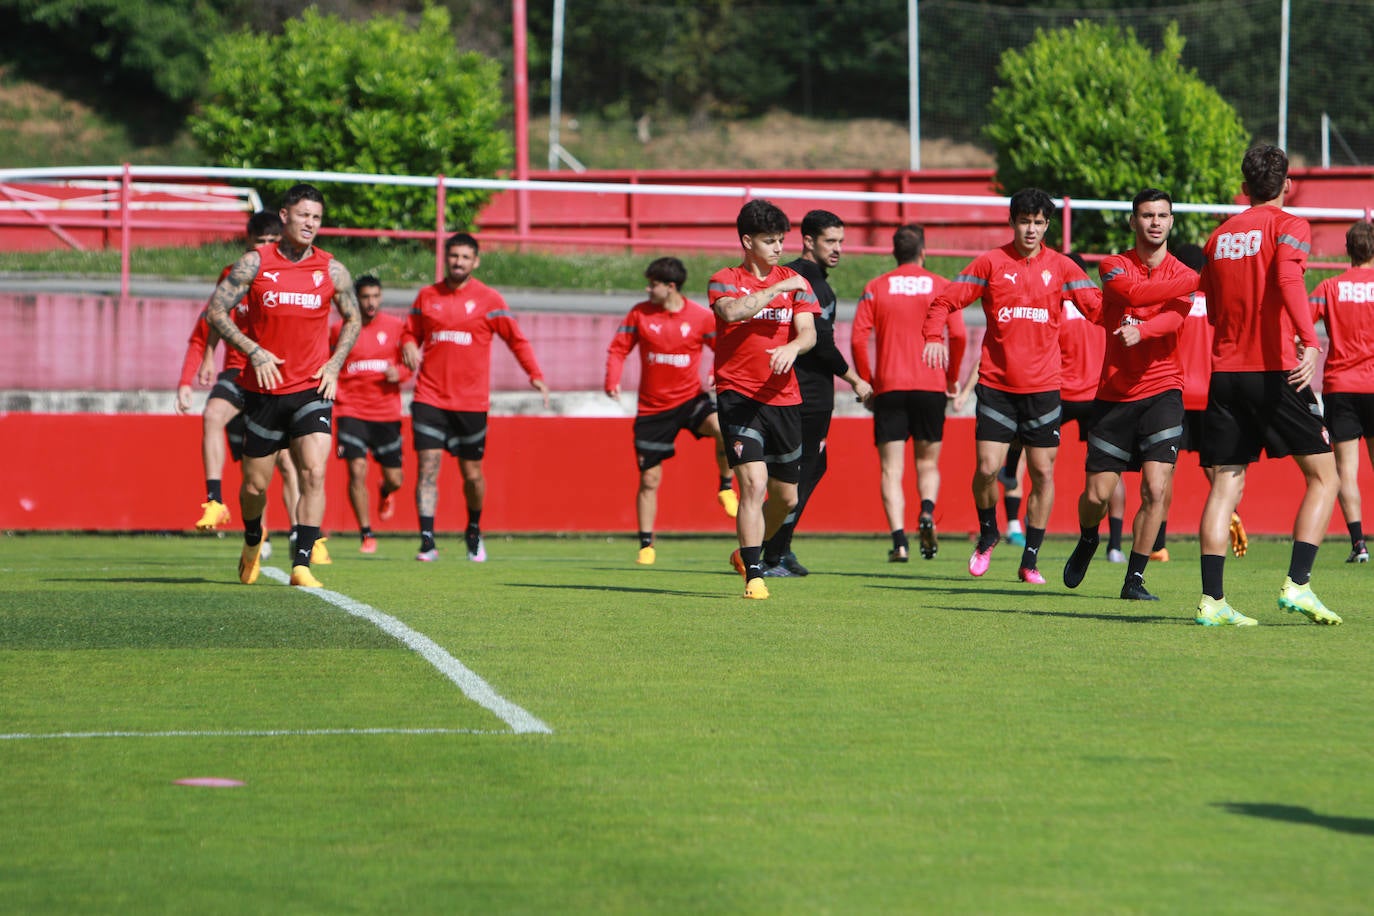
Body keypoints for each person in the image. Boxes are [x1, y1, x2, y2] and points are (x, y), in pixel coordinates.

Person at [922, 188, 1102, 583]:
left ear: (1047, 225)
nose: (1031, 229)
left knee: (1041, 473)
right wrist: (933, 335)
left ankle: (1031, 559)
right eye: (1025, 221)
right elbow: (944, 302)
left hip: (1043, 389)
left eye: (1039, 222)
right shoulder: (990, 263)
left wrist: (1137, 319)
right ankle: (989, 533)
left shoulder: (1062, 267)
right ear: (1012, 222)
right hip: (997, 386)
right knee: (987, 469)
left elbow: (1098, 310)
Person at [1194, 145, 1341, 626]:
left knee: (1225, 486)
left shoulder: (1218, 238)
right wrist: (1309, 340)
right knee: (1325, 476)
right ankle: (1298, 586)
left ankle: (1212, 601)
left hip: (1226, 372)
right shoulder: (1290, 225)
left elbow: (1212, 309)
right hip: (1275, 370)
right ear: (1287, 184)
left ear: (1244, 186)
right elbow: (1287, 278)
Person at [204, 183, 362, 589]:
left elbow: (354, 318)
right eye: (304, 215)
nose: (311, 223)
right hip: (262, 393)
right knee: (255, 486)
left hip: (311, 390)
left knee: (313, 471)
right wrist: (252, 350)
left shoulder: (331, 269)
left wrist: (334, 364)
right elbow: (216, 310)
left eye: (317, 217)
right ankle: (253, 539)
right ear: (286, 216)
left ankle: (303, 563)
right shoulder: (255, 263)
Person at [1061, 188, 1196, 601]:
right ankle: (1088, 538)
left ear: (1171, 222)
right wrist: (1203, 277)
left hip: (1164, 390)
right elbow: (1134, 297)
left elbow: (1175, 317)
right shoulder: (1113, 266)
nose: (1155, 222)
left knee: (1156, 489)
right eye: (1147, 215)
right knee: (1096, 496)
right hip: (1115, 396)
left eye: (1162, 215)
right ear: (1133, 222)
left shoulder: (1181, 274)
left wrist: (1144, 329)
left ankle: (1134, 579)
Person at [402, 232, 550, 563]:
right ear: (446, 258)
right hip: (429, 397)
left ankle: (473, 529)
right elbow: (409, 331)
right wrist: (409, 343)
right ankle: (427, 542)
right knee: (427, 467)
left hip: (470, 403)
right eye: (453, 256)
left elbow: (517, 340)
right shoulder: (427, 296)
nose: (458, 262)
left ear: (475, 261)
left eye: (465, 257)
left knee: (471, 475)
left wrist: (536, 375)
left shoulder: (490, 300)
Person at [176, 211, 304, 562]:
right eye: (258, 241)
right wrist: (193, 373)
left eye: (269, 241)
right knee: (213, 415)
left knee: (282, 462)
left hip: (275, 378)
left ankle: (299, 534)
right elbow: (205, 328)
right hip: (238, 372)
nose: (263, 248)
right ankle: (215, 502)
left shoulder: (293, 276)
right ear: (249, 243)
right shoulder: (234, 275)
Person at [708, 199, 819, 599]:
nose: (777, 248)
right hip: (738, 396)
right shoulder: (723, 279)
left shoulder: (796, 283)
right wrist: (776, 288)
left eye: (780, 241)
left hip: (784, 398)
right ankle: (755, 573)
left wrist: (794, 348)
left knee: (787, 498)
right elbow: (734, 312)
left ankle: (745, 552)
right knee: (753, 485)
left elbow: (808, 331)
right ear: (747, 241)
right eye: (769, 241)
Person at [760, 210, 872, 576]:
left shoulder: (818, 283)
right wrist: (855, 380)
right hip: (803, 396)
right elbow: (821, 344)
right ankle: (767, 553)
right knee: (794, 475)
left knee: (807, 470)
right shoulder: (800, 280)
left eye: (841, 241)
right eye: (830, 241)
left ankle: (779, 548)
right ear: (808, 241)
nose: (838, 249)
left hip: (811, 396)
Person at [605, 257, 737, 565]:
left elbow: (725, 349)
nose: (648, 289)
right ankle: (646, 545)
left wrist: (720, 373)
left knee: (725, 427)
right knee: (649, 479)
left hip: (690, 400)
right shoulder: (640, 313)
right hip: (653, 409)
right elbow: (618, 348)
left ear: (671, 287)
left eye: (653, 284)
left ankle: (726, 486)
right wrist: (612, 379)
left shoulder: (701, 318)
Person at [850, 223, 965, 561]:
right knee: (928, 464)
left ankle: (899, 542)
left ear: (893, 253)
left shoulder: (875, 287)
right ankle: (927, 512)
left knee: (891, 470)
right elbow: (958, 336)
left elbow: (858, 338)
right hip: (930, 385)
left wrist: (867, 382)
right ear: (923, 252)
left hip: (889, 386)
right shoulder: (942, 286)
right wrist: (951, 378)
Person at [1151, 242, 1249, 563]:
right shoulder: (1217, 302)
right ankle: (1230, 514)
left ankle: (1158, 545)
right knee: (1217, 469)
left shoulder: (1172, 301)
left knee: (1164, 473)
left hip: (1175, 392)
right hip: (1211, 393)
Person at [1309, 220, 1374, 564]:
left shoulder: (1329, 287)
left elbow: (1300, 325)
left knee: (1346, 471)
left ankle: (1359, 544)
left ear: (1348, 250)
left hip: (1341, 386)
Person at [331, 274, 409, 554]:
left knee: (395, 479)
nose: (371, 302)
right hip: (350, 410)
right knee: (356, 470)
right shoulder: (340, 329)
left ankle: (385, 491)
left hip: (386, 413)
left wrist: (399, 373)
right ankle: (366, 533)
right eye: (365, 297)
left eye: (375, 296)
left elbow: (409, 363)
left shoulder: (397, 327)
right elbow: (328, 363)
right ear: (356, 299)